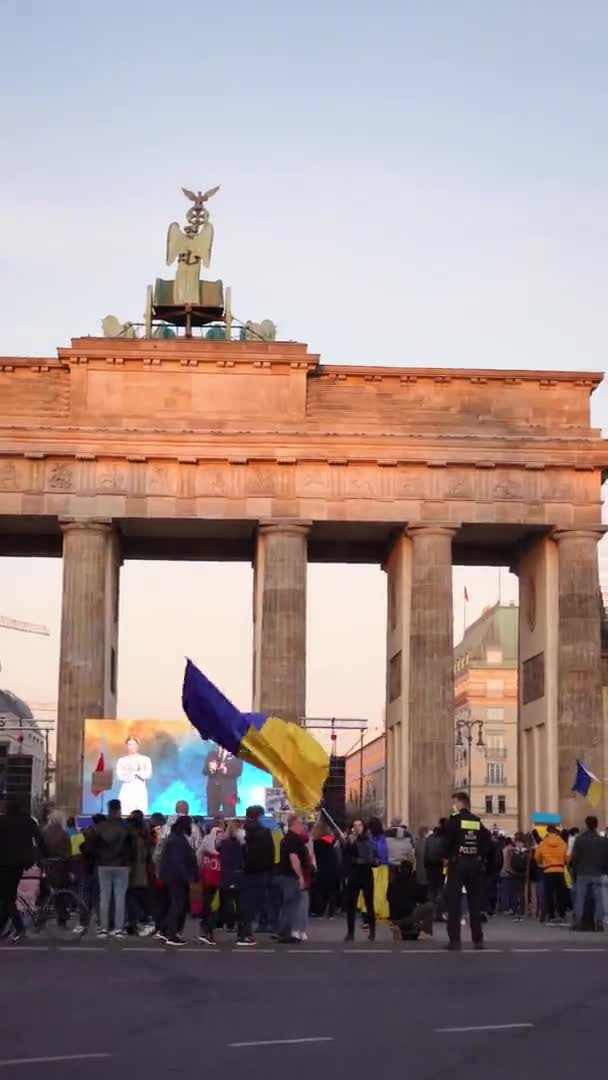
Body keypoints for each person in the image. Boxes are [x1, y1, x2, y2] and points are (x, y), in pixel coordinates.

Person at [444, 791, 492, 951]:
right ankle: (478, 940)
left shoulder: (454, 820)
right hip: (474, 864)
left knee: (454, 902)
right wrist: (480, 856)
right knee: (475, 902)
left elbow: (446, 842)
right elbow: (488, 841)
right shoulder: (476, 821)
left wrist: (448, 856)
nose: (453, 806)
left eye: (454, 802)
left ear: (459, 803)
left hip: (457, 864)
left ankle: (455, 941)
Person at [0, 797, 47, 942]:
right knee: (7, 895)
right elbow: (40, 839)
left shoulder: (3, 821)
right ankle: (3, 928)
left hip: (5, 863)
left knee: (7, 897)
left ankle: (20, 929)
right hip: (21, 863)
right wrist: (45, 854)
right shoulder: (28, 821)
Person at [90, 798, 135, 938]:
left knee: (104, 897)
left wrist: (99, 858)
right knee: (120, 897)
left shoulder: (100, 827)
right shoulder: (126, 826)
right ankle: (118, 928)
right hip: (121, 865)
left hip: (103, 865)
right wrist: (129, 861)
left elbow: (92, 845)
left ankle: (104, 928)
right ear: (119, 809)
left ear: (108, 809)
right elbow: (132, 847)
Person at [159, 816, 199, 946]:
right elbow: (179, 862)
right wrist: (187, 877)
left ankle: (166, 931)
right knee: (178, 905)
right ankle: (172, 934)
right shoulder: (178, 840)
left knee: (175, 904)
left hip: (172, 876)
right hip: (177, 877)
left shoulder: (174, 838)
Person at [239, 805, 275, 946]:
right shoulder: (265, 831)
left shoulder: (242, 831)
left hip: (245, 870)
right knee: (255, 903)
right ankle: (247, 934)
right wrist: (269, 868)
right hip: (261, 871)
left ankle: (244, 932)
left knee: (245, 903)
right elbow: (271, 852)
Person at [570, 815, 608, 931]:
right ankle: (599, 924)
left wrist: (574, 872)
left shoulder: (580, 839)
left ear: (586, 825)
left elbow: (575, 858)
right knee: (599, 900)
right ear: (596, 825)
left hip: (583, 873)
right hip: (598, 873)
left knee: (580, 899)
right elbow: (606, 858)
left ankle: (577, 923)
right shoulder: (603, 840)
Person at [276, 814, 309, 944]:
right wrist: (300, 876)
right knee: (291, 904)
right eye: (300, 823)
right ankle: (285, 933)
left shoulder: (287, 838)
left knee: (287, 904)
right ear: (294, 824)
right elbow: (294, 858)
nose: (302, 826)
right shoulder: (294, 839)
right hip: (290, 876)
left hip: (285, 874)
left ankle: (283, 931)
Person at [343, 819, 376, 942]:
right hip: (354, 873)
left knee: (369, 903)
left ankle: (372, 932)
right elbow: (345, 856)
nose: (357, 827)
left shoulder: (369, 839)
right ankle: (350, 932)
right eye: (355, 825)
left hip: (366, 873)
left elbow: (373, 855)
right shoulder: (350, 839)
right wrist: (349, 843)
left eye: (359, 825)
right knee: (351, 904)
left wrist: (373, 860)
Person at [387, 860, 433, 941]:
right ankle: (425, 932)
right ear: (411, 870)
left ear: (400, 869)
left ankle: (397, 926)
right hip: (408, 916)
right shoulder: (412, 882)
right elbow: (423, 899)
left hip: (394, 918)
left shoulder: (393, 882)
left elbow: (388, 897)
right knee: (429, 906)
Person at [126, 810, 155, 936]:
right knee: (142, 898)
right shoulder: (146, 834)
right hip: (144, 871)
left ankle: (135, 923)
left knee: (132, 897)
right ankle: (142, 921)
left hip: (134, 871)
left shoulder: (132, 835)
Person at [535, 824, 568, 925]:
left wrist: (541, 862)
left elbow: (537, 856)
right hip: (560, 870)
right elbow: (567, 856)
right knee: (560, 894)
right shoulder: (562, 842)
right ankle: (562, 915)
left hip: (548, 870)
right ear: (556, 831)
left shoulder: (543, 843)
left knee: (549, 894)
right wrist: (564, 862)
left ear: (547, 831)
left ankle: (551, 915)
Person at [199, 824, 224, 945]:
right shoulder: (217, 850)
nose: (221, 837)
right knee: (211, 906)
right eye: (219, 834)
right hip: (213, 880)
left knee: (208, 905)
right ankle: (207, 932)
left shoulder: (205, 846)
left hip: (209, 879)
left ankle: (206, 930)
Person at [219, 819, 245, 934]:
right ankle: (240, 925)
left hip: (226, 874)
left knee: (228, 900)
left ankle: (229, 924)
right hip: (237, 874)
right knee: (239, 901)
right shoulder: (239, 844)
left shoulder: (223, 843)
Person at [116, 736, 153, 816]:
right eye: (130, 744)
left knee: (140, 810)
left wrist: (136, 773)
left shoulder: (145, 759)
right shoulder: (122, 760)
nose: (132, 746)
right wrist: (131, 775)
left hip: (140, 788)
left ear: (138, 745)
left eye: (134, 744)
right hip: (127, 788)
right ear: (127, 746)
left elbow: (148, 774)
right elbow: (120, 776)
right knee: (125, 811)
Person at [311, 821, 340, 918]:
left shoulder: (316, 842)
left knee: (321, 891)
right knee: (332, 891)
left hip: (322, 868)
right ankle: (331, 912)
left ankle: (320, 911)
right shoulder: (331, 841)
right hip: (333, 868)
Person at [203, 745, 243, 816]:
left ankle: (231, 827)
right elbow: (204, 771)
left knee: (230, 813)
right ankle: (213, 827)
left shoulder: (236, 754)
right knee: (211, 813)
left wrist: (226, 770)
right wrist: (211, 769)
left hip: (230, 791)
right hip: (212, 790)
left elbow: (239, 771)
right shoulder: (211, 754)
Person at [509, 833, 529, 921]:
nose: (518, 844)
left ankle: (519, 912)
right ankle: (518, 912)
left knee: (519, 893)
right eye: (517, 842)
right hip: (520, 874)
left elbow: (513, 863)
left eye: (519, 842)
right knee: (519, 893)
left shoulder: (518, 852)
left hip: (518, 874)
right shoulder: (526, 852)